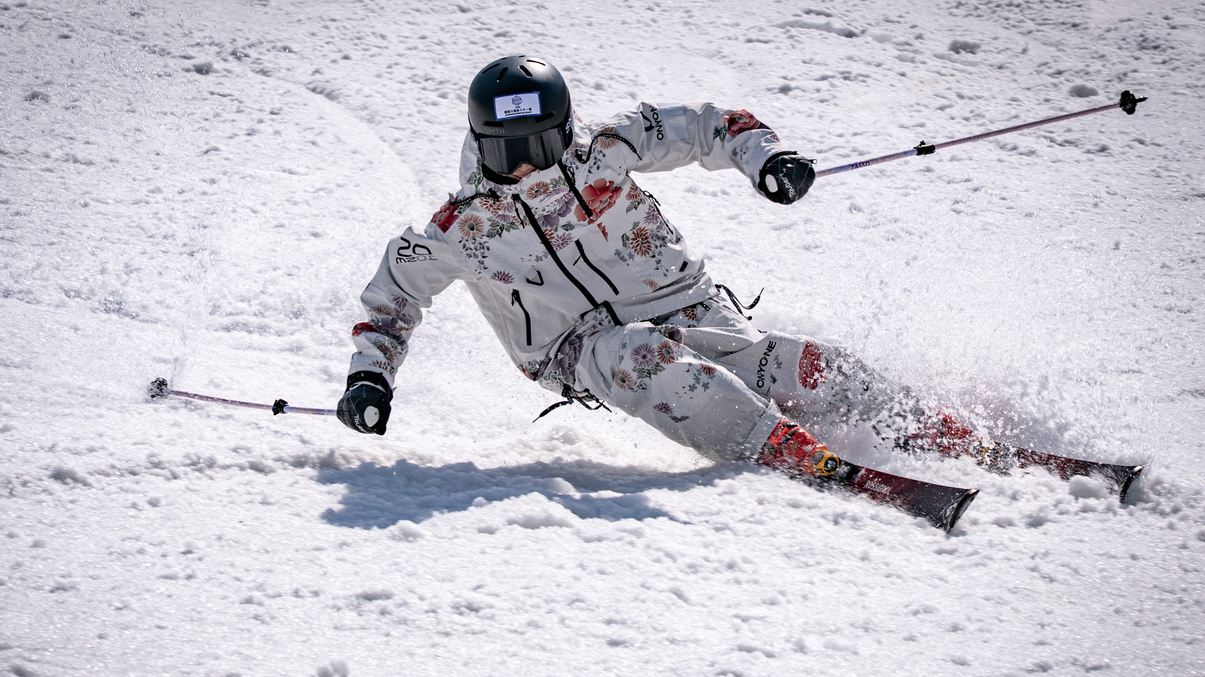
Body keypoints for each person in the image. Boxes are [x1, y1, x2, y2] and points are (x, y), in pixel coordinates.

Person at [336, 54, 983, 481]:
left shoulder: (604, 149)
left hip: (683, 298)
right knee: (638, 353)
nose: (529, 166)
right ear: (483, 144)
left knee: (785, 363)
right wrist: (371, 378)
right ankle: (778, 444)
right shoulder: (464, 224)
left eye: (540, 145)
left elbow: (705, 127)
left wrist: (768, 158)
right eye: (510, 153)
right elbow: (394, 294)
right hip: (573, 345)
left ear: (563, 130)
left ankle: (923, 423)